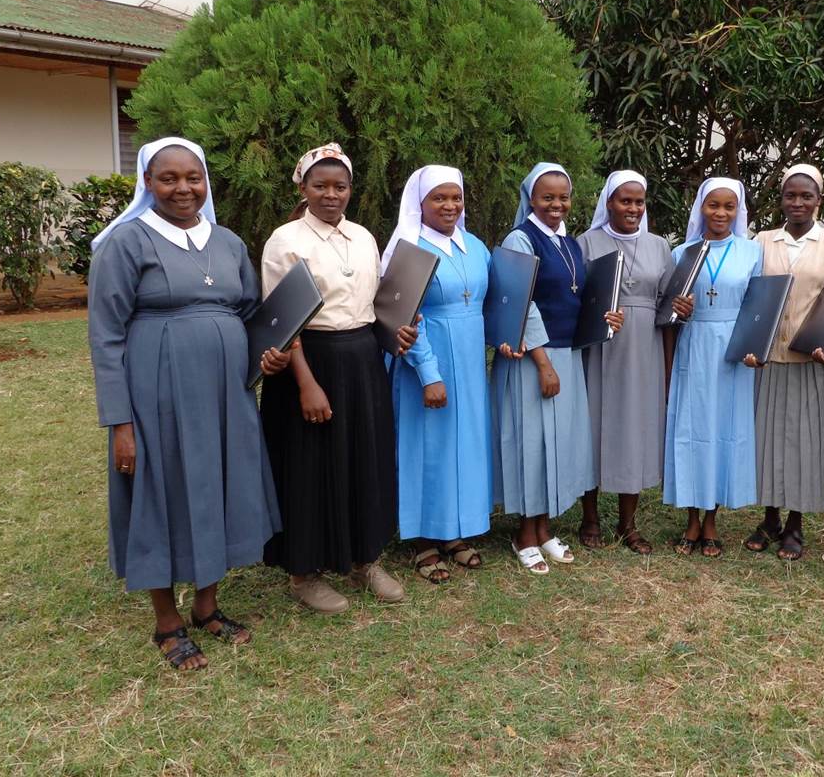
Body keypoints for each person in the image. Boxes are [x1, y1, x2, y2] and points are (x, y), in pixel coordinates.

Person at [88, 137, 290, 671]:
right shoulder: (125, 243)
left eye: (193, 177)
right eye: (168, 178)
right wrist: (120, 424)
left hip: (226, 394)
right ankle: (166, 622)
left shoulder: (226, 242)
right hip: (157, 396)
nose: (183, 188)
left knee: (219, 485)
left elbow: (251, 315)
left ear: (206, 182)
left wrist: (263, 359)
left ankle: (207, 606)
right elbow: (105, 338)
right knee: (162, 491)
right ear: (147, 183)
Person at [260, 143, 418, 612]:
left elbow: (376, 307)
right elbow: (282, 319)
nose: (331, 195)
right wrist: (306, 383)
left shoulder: (364, 237)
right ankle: (304, 572)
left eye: (340, 186)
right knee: (309, 465)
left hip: (361, 358)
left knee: (362, 457)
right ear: (303, 188)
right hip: (308, 359)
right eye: (321, 185)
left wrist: (397, 336)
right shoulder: (285, 241)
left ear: (351, 190)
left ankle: (363, 558)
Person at [491, 162, 623, 574]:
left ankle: (545, 528)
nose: (556, 204)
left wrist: (606, 319)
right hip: (534, 358)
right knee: (532, 445)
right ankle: (524, 534)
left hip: (567, 355)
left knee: (557, 444)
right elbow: (522, 302)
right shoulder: (520, 238)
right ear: (531, 198)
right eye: (547, 197)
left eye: (563, 197)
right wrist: (545, 364)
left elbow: (578, 298)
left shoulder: (569, 243)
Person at [384, 164, 502, 583]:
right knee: (427, 448)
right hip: (426, 363)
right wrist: (428, 373)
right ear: (420, 203)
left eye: (456, 197)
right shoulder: (408, 247)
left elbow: (495, 304)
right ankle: (423, 542)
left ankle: (454, 532)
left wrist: (506, 339)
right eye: (439, 198)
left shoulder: (475, 246)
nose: (449, 205)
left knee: (463, 444)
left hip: (469, 364)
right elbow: (403, 319)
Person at [745, 164, 824, 561]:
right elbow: (751, 298)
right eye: (790, 195)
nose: (797, 203)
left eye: (806, 196)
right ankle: (770, 518)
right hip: (768, 358)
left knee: (805, 441)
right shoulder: (761, 241)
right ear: (781, 200)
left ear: (819, 200)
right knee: (768, 439)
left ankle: (795, 524)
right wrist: (750, 344)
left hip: (812, 359)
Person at [577, 170, 685, 555]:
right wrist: (598, 316)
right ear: (609, 203)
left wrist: (679, 310)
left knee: (635, 429)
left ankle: (628, 523)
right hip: (599, 347)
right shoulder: (586, 242)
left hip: (643, 347)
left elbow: (668, 305)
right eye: (625, 200)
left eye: (639, 202)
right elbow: (577, 299)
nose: (633, 208)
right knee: (592, 424)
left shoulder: (659, 246)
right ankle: (589, 518)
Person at [663, 177, 763, 557]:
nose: (720, 213)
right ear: (700, 208)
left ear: (738, 211)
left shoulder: (751, 252)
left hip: (733, 352)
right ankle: (691, 519)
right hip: (693, 345)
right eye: (713, 205)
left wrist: (754, 348)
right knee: (692, 430)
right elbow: (668, 313)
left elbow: (758, 308)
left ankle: (712, 521)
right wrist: (678, 310)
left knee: (724, 429)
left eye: (729, 206)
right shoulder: (682, 253)